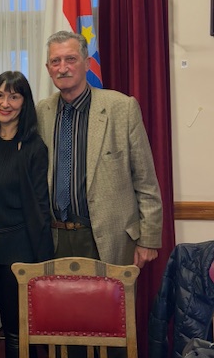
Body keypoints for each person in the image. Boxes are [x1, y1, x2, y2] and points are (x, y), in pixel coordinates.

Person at [37, 30, 163, 267]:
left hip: (109, 240)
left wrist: (148, 239)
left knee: (111, 295)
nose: (63, 68)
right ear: (48, 68)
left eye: (71, 59)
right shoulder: (41, 112)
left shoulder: (122, 108)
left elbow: (145, 180)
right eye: (55, 61)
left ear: (87, 63)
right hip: (55, 239)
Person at [0, 71, 54, 358]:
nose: (5, 103)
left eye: (14, 96)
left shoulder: (33, 147)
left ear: (25, 102)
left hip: (19, 253)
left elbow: (40, 207)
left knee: (15, 327)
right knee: (12, 322)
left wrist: (42, 260)